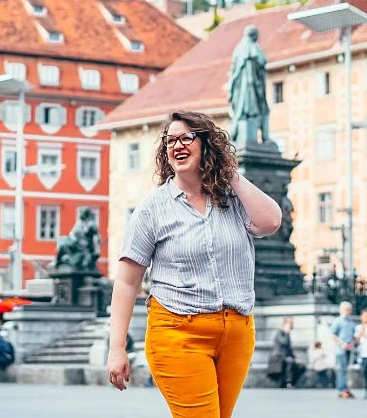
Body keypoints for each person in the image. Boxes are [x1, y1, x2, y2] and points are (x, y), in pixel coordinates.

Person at [107, 111, 282, 418]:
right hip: (178, 332)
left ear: (207, 146)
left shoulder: (233, 200)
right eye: (170, 140)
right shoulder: (153, 209)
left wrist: (229, 174)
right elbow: (126, 281)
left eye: (186, 137)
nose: (177, 145)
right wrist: (116, 348)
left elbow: (271, 221)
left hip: (236, 333)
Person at [330, 301, 356, 399]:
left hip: (349, 348)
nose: (348, 311)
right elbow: (333, 335)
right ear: (341, 310)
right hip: (340, 349)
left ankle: (345, 388)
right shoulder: (338, 321)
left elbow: (354, 336)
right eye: (346, 309)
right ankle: (342, 389)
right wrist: (342, 344)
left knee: (345, 369)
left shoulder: (351, 322)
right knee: (341, 369)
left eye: (349, 309)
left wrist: (352, 344)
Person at [269, 317, 304, 388]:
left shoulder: (287, 334)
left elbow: (289, 349)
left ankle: (291, 382)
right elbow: (284, 342)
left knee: (302, 366)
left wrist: (295, 358)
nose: (291, 325)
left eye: (291, 323)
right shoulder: (280, 333)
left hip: (286, 357)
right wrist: (287, 333)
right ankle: (288, 382)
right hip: (278, 357)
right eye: (289, 323)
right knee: (290, 361)